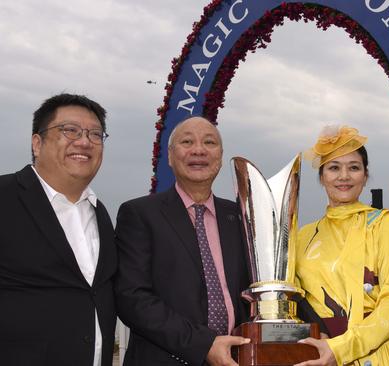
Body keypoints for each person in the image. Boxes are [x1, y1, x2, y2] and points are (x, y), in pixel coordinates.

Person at [114, 116, 250, 366]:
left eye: (209, 142)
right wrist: (204, 344)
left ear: (220, 155)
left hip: (236, 358)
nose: (199, 150)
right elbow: (132, 297)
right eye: (187, 141)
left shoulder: (240, 217)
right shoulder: (140, 214)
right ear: (170, 156)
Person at [0, 93, 116, 365]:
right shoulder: (4, 197)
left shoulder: (100, 214)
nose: (85, 141)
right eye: (70, 130)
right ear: (37, 143)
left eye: (96, 134)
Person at [294, 125, 389, 366]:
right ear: (322, 176)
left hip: (375, 355)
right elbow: (295, 302)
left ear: (365, 176)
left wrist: (340, 349)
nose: (344, 176)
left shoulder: (382, 224)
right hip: (317, 355)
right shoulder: (303, 236)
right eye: (334, 168)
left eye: (353, 168)